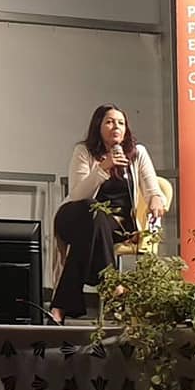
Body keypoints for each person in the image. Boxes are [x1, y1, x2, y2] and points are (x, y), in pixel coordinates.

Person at [50, 104, 166, 323]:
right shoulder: (83, 151)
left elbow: (152, 190)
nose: (116, 127)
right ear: (98, 126)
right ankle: (113, 284)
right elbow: (78, 195)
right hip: (74, 216)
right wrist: (103, 168)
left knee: (91, 230)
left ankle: (60, 307)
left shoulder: (137, 153)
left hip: (116, 225)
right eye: (110, 122)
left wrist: (156, 198)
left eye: (121, 123)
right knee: (92, 210)